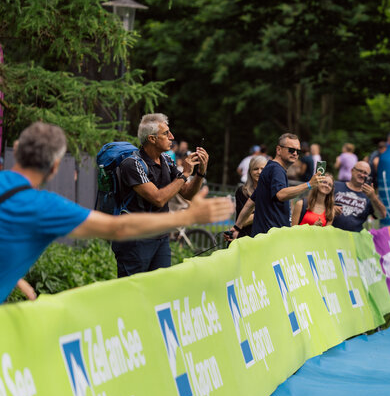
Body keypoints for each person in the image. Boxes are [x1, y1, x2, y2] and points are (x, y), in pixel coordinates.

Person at [0, 122, 233, 302]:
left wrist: (16, 279)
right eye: (166, 133)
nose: (171, 137)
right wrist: (189, 217)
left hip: (158, 241)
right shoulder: (46, 207)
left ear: (18, 150)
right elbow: (117, 228)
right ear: (55, 167)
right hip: (136, 245)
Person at [112, 113, 211, 277]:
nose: (172, 137)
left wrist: (200, 173)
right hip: (135, 239)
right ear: (151, 139)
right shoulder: (132, 164)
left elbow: (186, 193)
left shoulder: (166, 160)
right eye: (166, 134)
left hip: (161, 237)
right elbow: (158, 199)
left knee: (160, 289)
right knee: (132, 292)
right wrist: (185, 173)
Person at [230, 134, 322, 239]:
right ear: (278, 150)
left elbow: (250, 203)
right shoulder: (276, 169)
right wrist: (309, 184)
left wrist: (237, 227)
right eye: (291, 150)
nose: (295, 153)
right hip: (271, 239)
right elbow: (281, 194)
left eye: (298, 151)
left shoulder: (270, 168)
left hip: (264, 237)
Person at [332, 161, 387, 231]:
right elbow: (317, 203)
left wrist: (373, 197)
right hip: (331, 235)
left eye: (365, 173)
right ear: (352, 171)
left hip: (354, 239)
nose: (362, 175)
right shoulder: (336, 186)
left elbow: (382, 215)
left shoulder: (369, 195)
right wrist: (330, 209)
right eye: (360, 171)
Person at [233, 156, 267, 238]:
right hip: (246, 237)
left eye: (263, 169)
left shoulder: (272, 191)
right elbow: (242, 221)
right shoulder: (243, 192)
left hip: (265, 237)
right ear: (250, 171)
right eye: (255, 169)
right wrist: (266, 211)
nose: (259, 172)